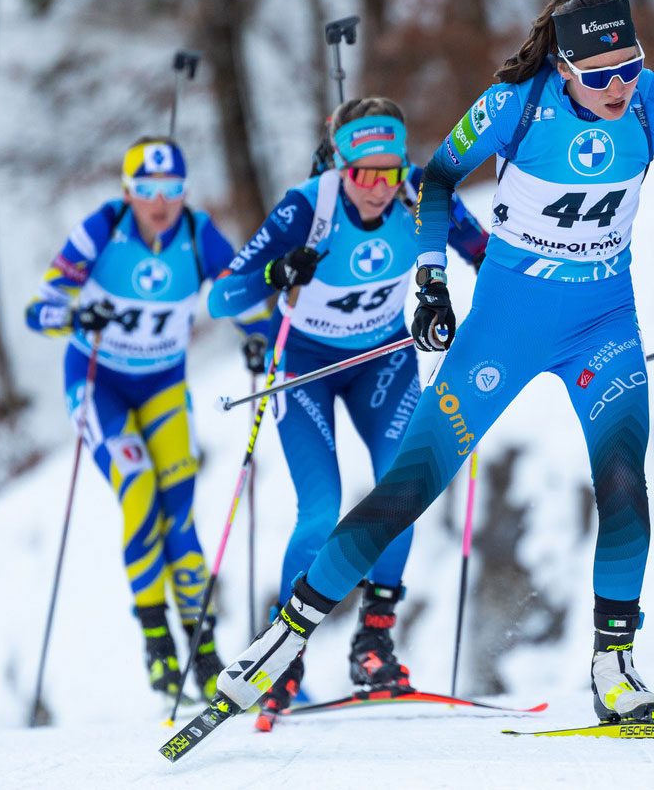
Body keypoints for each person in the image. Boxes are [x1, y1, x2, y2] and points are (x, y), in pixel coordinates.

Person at [211, 0, 654, 724]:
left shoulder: (653, 101)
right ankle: (283, 641)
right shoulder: (514, 105)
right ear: (564, 66)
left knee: (625, 483)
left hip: (602, 322)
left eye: (627, 65)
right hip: (505, 325)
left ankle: (614, 666)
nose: (618, 85)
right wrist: (432, 284)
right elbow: (436, 178)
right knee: (409, 486)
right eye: (598, 74)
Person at [208, 97, 487, 717]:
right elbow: (223, 298)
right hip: (306, 368)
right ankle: (282, 656)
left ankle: (374, 642)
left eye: (389, 172)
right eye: (363, 173)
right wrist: (277, 272)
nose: (378, 188)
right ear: (340, 164)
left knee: (404, 489)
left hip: (383, 363)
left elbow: (486, 255)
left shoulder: (420, 194)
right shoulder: (306, 206)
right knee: (322, 510)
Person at [25, 136, 275, 703]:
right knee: (138, 487)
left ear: (184, 192)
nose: (159, 202)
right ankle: (159, 647)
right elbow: (37, 311)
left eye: (171, 190)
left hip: (163, 386)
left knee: (180, 515)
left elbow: (237, 293)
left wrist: (265, 339)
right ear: (127, 191)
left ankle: (205, 653)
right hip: (98, 383)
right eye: (146, 190)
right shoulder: (102, 229)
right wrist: (74, 313)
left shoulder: (196, 232)